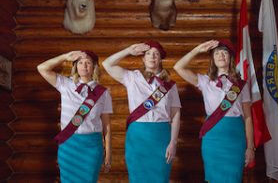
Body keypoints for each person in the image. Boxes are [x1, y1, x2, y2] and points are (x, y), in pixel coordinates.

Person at [173, 40, 255, 183]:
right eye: (217, 53)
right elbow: (178, 67)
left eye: (224, 52)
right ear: (212, 59)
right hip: (213, 139)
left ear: (230, 57)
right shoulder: (205, 81)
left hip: (235, 138)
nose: (221, 55)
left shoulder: (241, 85)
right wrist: (197, 49)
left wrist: (250, 147)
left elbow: (248, 117)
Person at [102, 40, 181, 183]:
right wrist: (128, 50)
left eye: (156, 54)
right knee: (138, 178)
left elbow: (176, 115)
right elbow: (107, 64)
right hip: (138, 135)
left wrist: (173, 142)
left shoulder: (170, 85)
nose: (152, 57)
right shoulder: (132, 77)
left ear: (160, 59)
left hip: (161, 135)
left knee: (161, 178)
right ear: (143, 58)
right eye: (149, 54)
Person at [37, 50, 112, 183]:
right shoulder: (65, 84)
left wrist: (108, 151)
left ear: (94, 67)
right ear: (75, 66)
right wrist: (64, 57)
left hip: (92, 147)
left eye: (88, 62)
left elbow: (106, 125)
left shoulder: (103, 92)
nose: (84, 66)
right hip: (69, 144)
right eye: (80, 62)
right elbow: (41, 68)